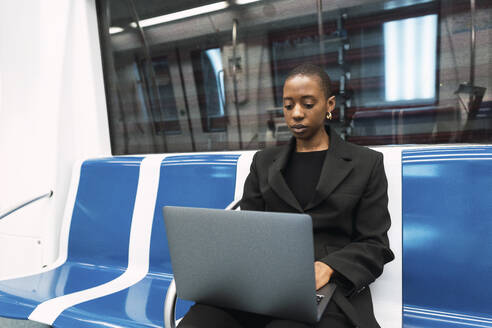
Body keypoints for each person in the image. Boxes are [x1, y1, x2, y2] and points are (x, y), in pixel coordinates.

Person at [178, 63, 394, 328]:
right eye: (288, 105)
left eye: (307, 104)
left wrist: (328, 267)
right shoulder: (263, 162)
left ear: (330, 105)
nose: (297, 114)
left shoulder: (365, 163)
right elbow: (247, 231)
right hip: (264, 281)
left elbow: (375, 244)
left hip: (331, 286)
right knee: (200, 321)